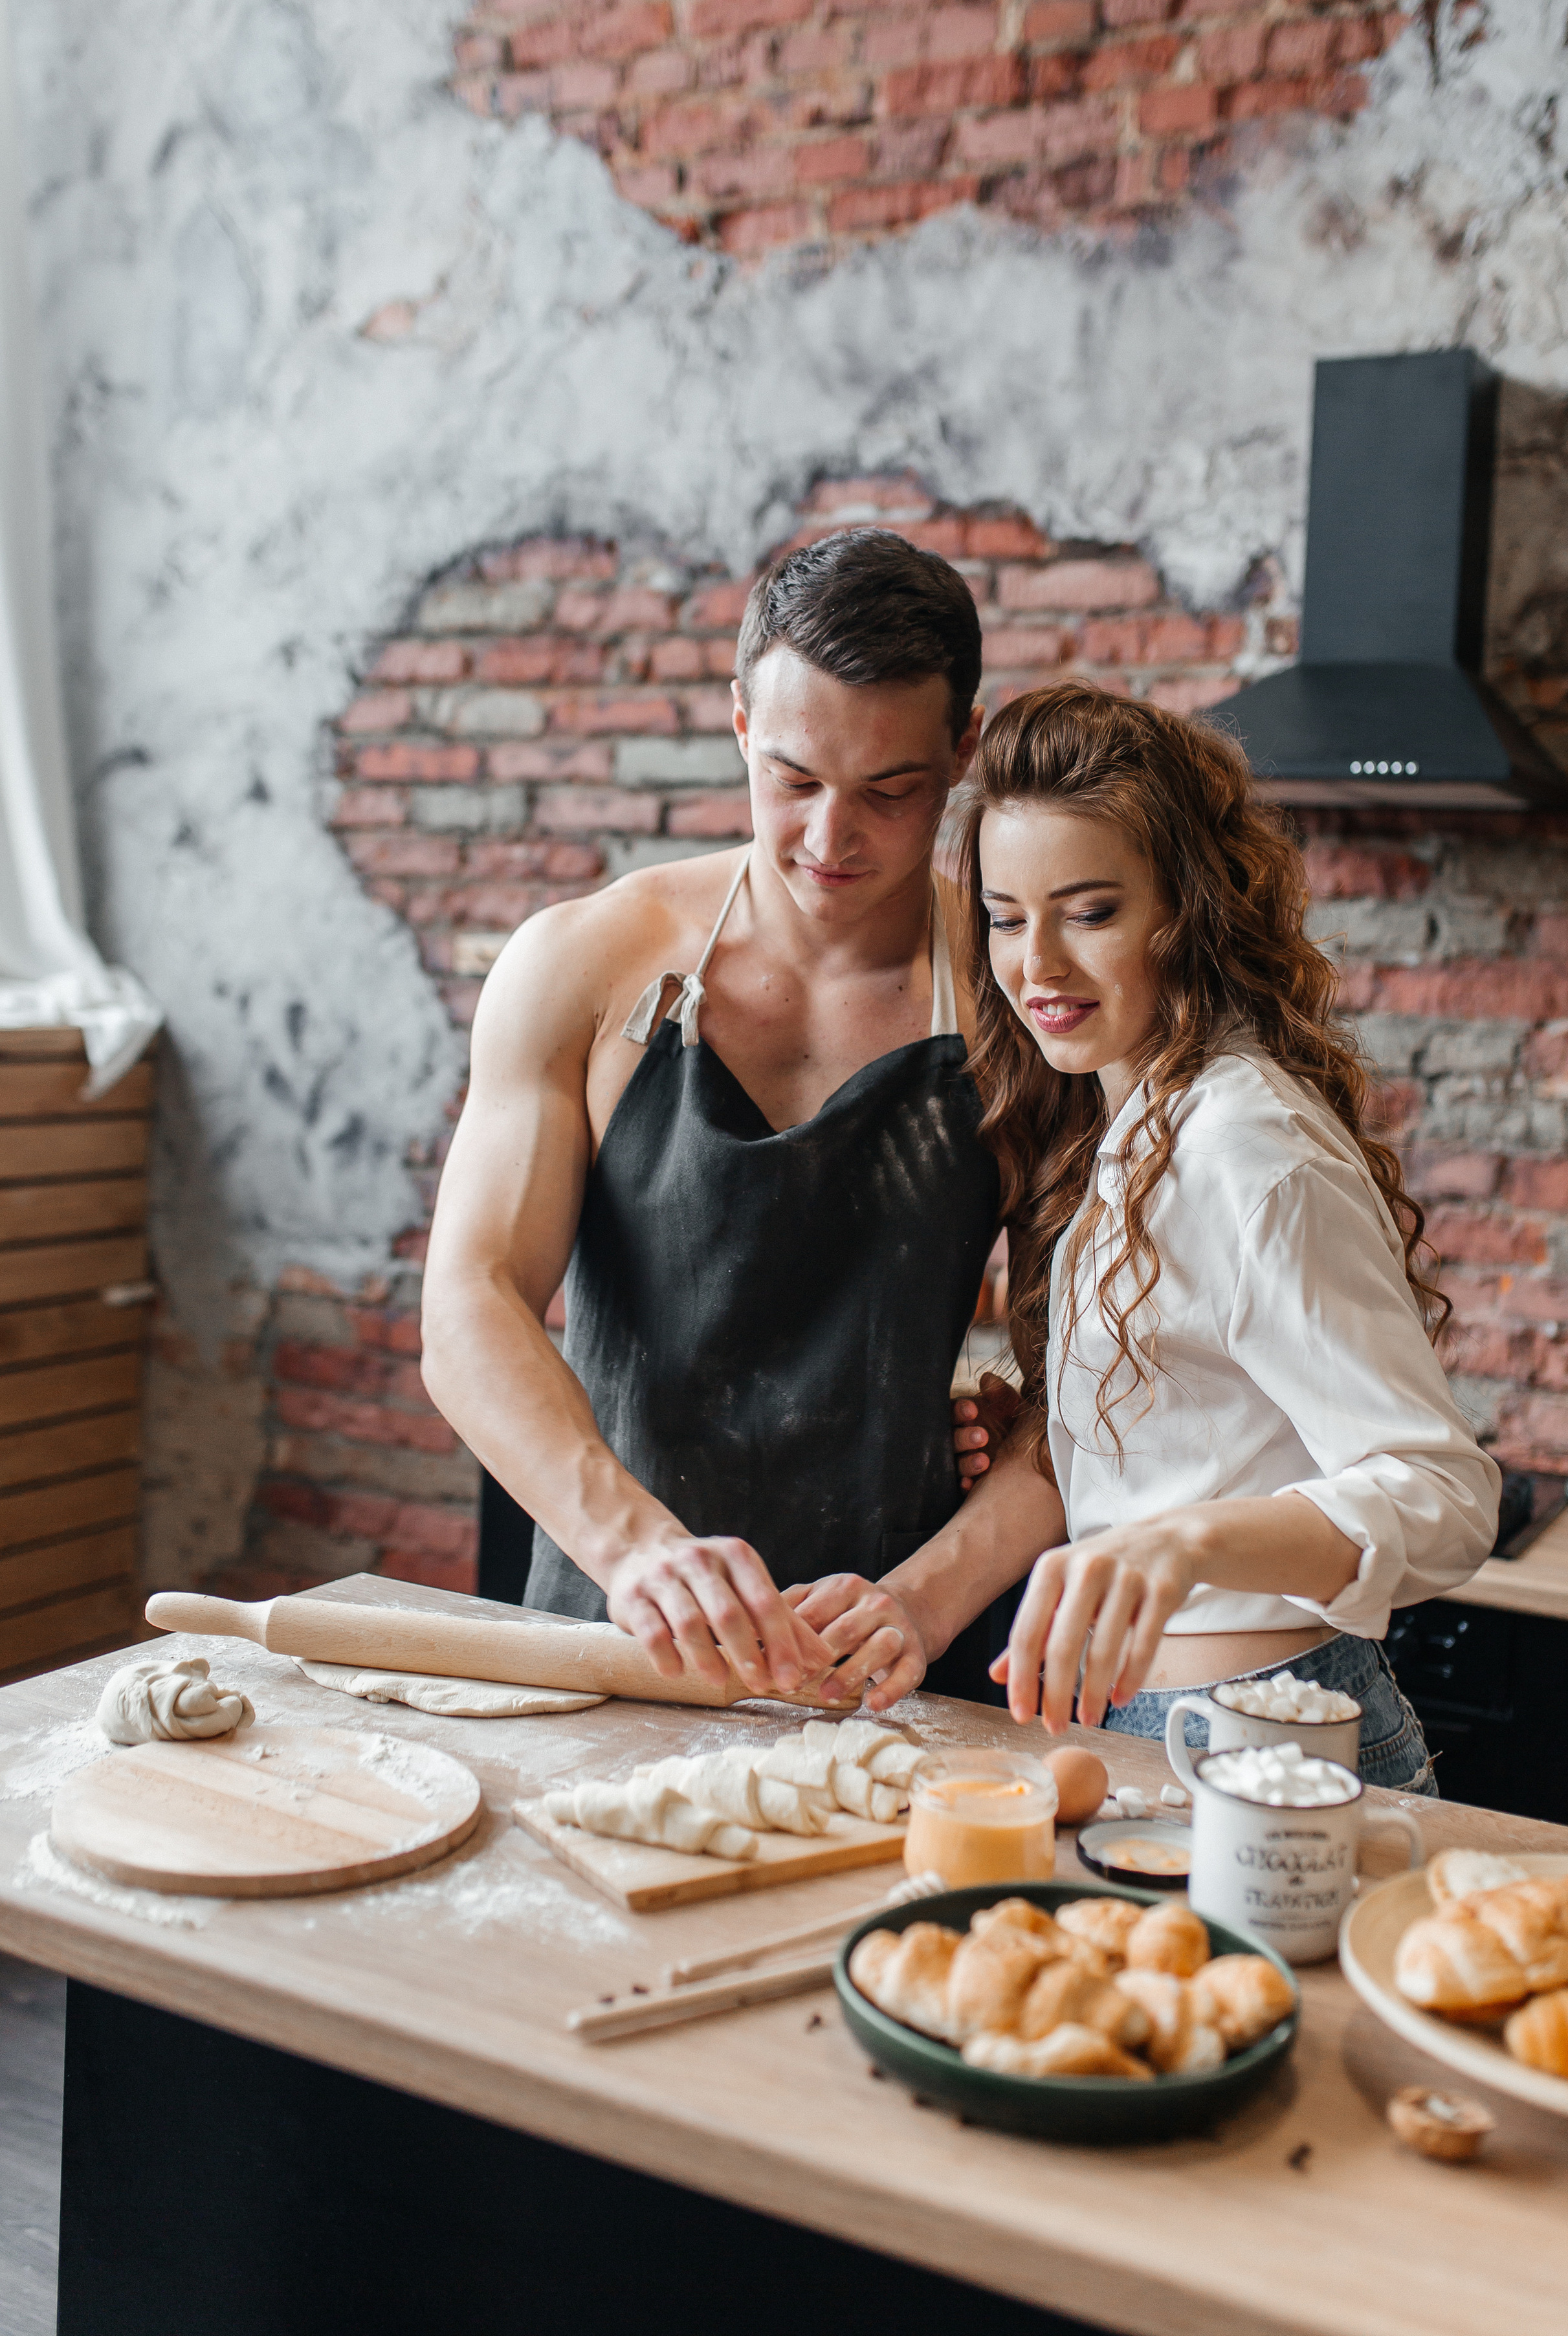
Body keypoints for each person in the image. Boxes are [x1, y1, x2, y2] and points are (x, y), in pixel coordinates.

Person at [788, 682, 1499, 1786]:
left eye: (1092, 912)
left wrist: (1187, 1542)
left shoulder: (1243, 1145)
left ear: (1187, 908)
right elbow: (1170, 1452)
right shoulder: (1125, 1127)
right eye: (1009, 918)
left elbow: (1446, 1497)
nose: (1038, 969)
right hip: (1149, 1732)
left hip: (1269, 1739)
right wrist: (921, 1595)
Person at [420, 527, 1008, 1704]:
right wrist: (637, 1548)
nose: (829, 841)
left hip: (895, 1661)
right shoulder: (584, 964)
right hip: (609, 1640)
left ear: (961, 754)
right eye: (792, 780)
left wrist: (935, 1589)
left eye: (890, 793)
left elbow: (1093, 1377)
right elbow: (470, 1300)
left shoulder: (1018, 1000)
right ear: (740, 722)